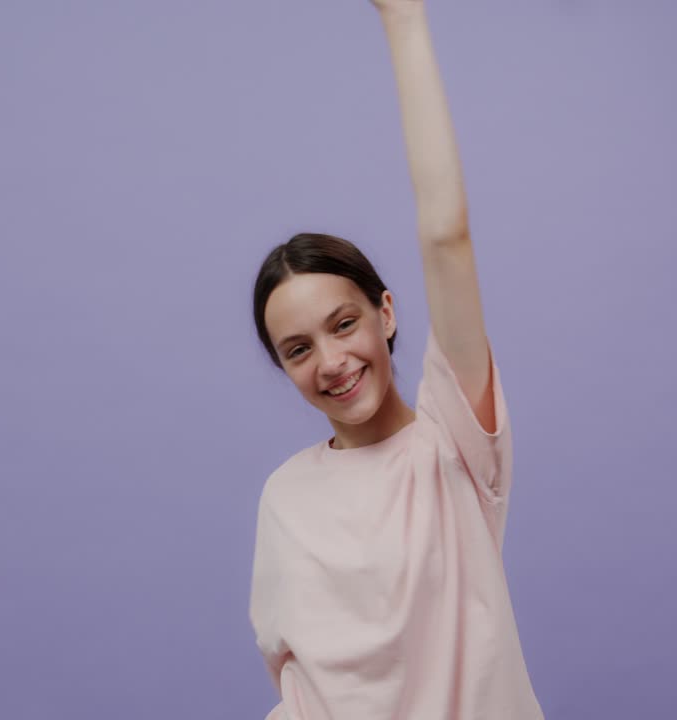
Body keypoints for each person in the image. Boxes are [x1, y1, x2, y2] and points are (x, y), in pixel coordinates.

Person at [248, 1, 546, 719]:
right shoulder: (285, 496)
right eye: (297, 349)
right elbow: (294, 677)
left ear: (385, 314)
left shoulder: (455, 452)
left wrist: (403, 18)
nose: (331, 361)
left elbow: (447, 235)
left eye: (343, 323)